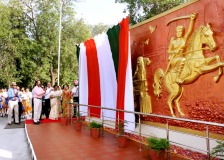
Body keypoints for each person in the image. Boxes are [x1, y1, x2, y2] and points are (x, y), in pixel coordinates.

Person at [167, 13, 196, 83]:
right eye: (177, 32)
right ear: (176, 32)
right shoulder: (173, 41)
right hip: (174, 59)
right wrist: (175, 51)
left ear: (182, 32)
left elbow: (189, 31)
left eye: (180, 31)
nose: (178, 33)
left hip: (181, 57)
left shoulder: (184, 39)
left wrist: (192, 20)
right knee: (183, 59)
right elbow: (168, 51)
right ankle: (177, 78)